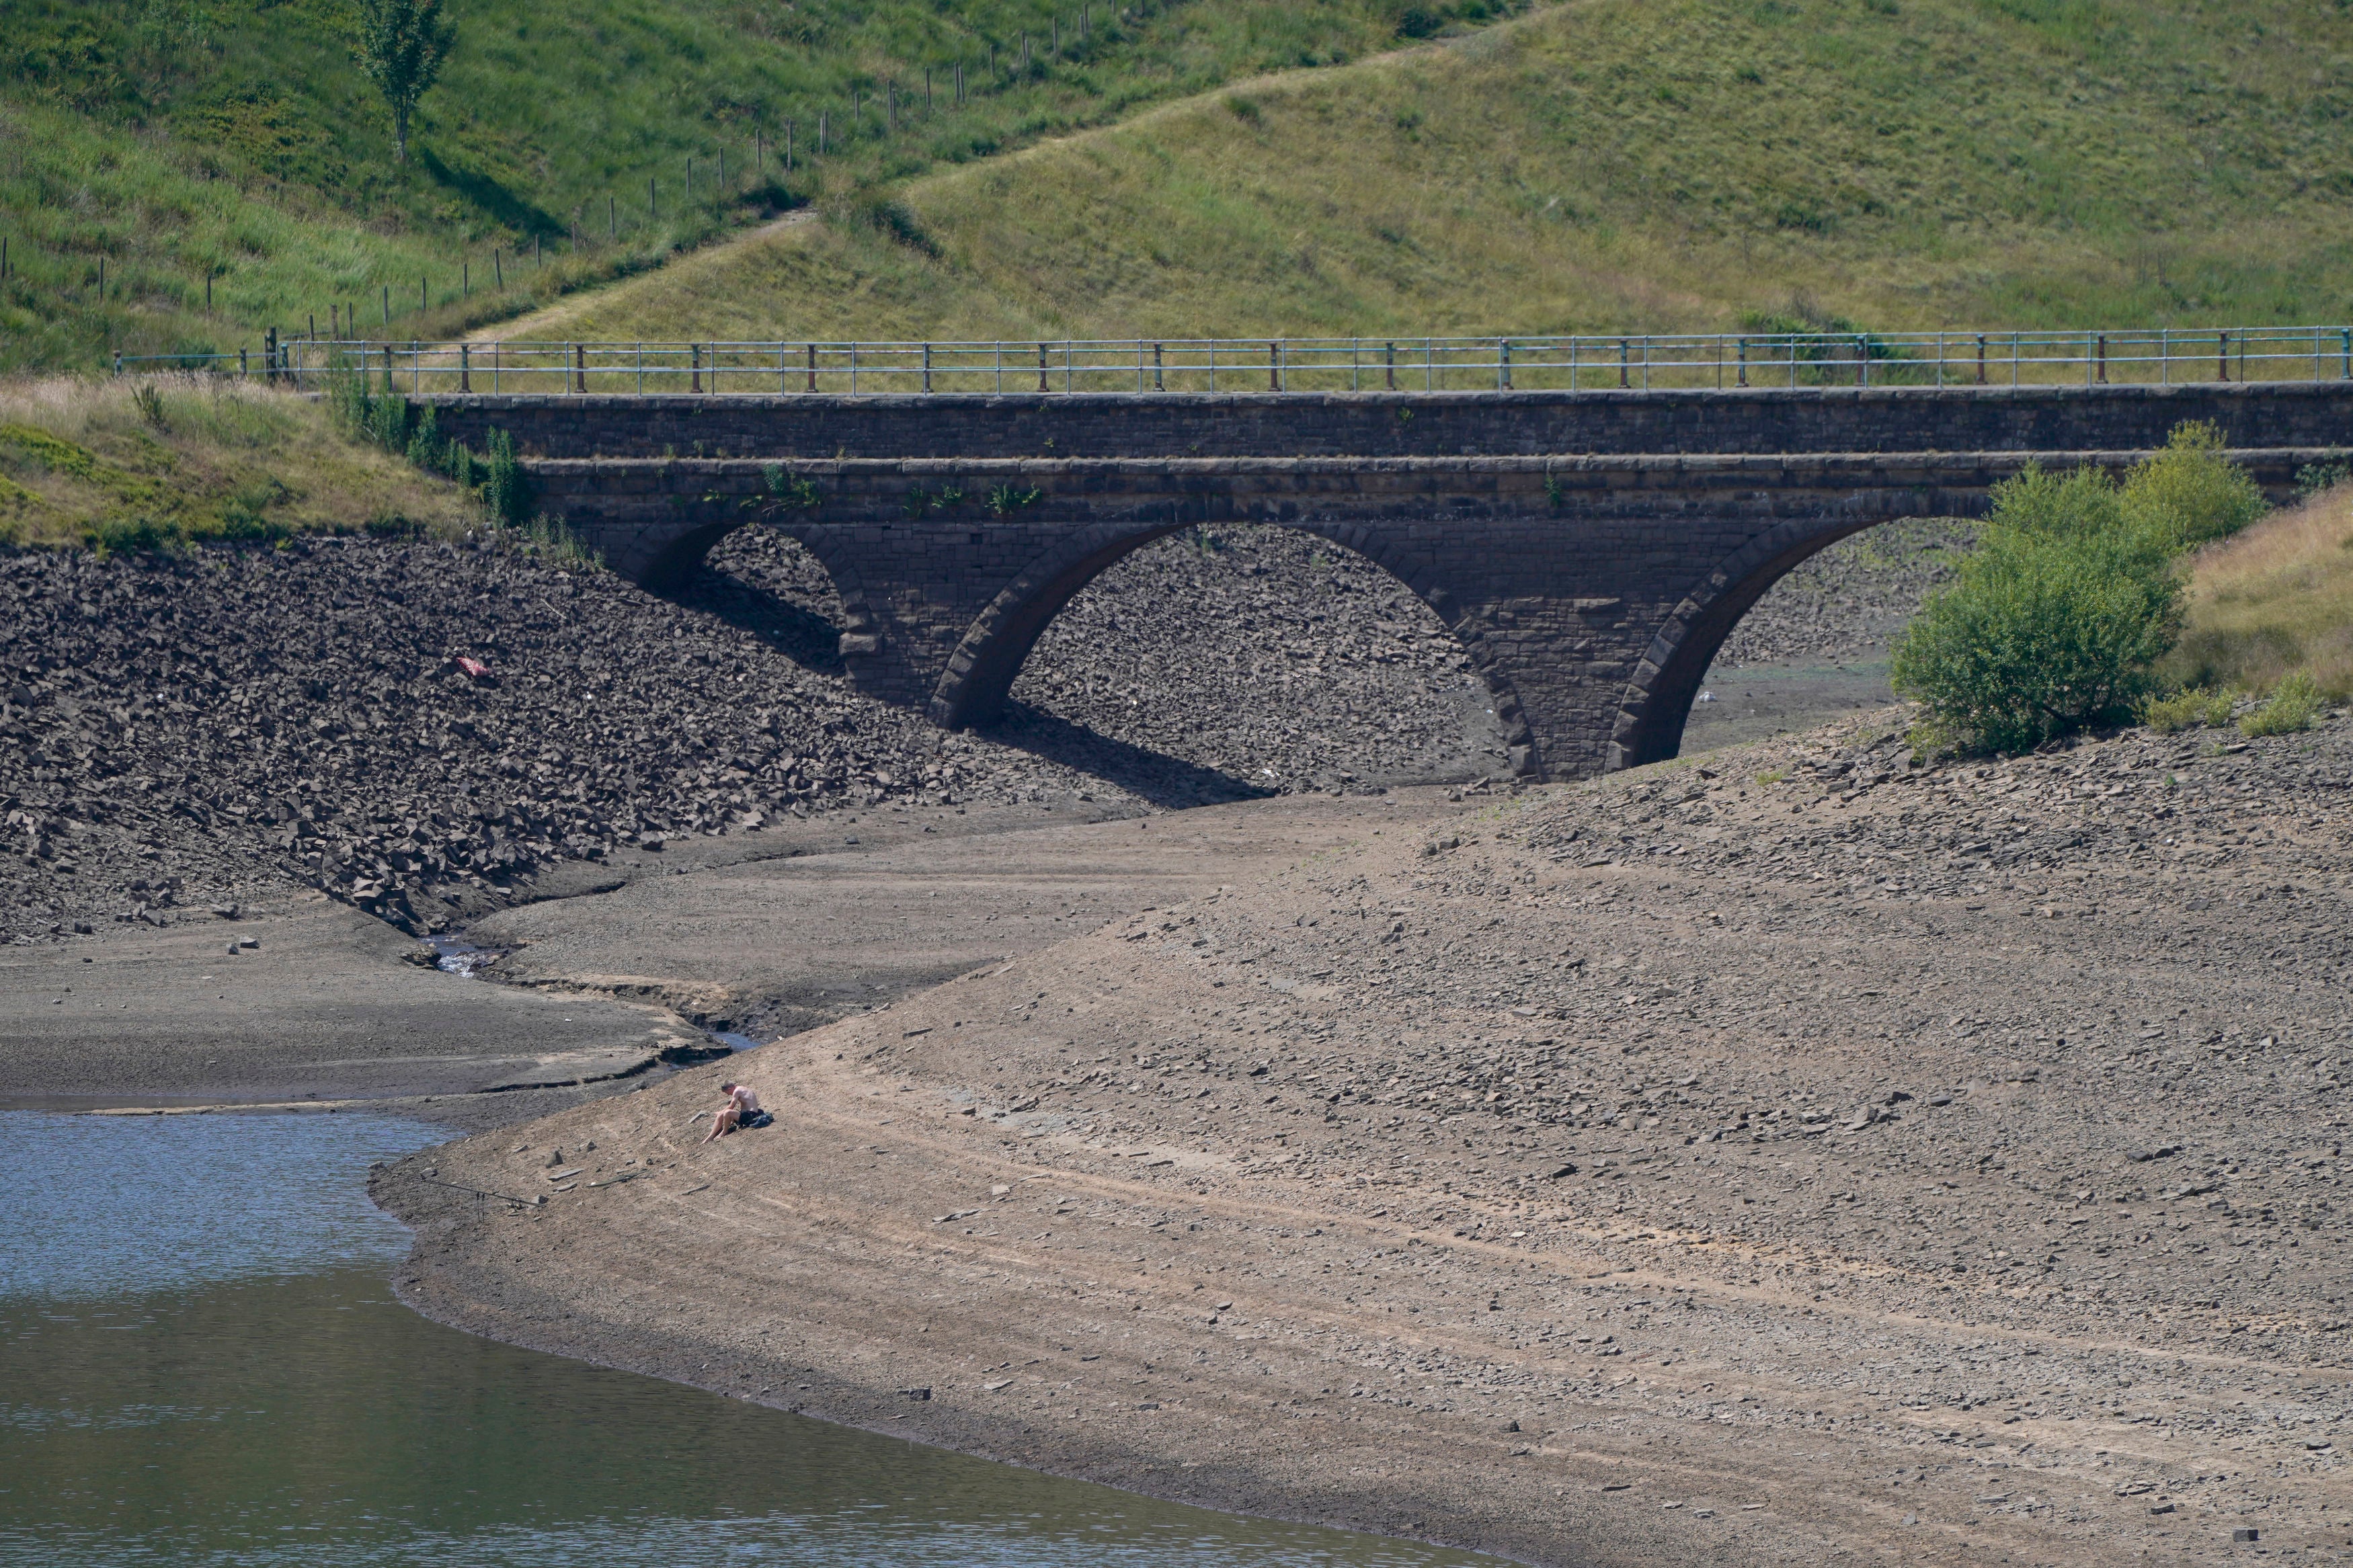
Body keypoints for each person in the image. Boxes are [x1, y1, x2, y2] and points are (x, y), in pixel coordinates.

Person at [705, 1081, 770, 1142]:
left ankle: (723, 1132)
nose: (728, 1094)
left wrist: (721, 1112)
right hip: (749, 1113)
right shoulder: (741, 1089)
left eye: (727, 1092)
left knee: (727, 1112)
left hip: (750, 1115)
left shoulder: (737, 1091)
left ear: (730, 1088)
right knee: (724, 1113)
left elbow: (731, 1106)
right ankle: (711, 1135)